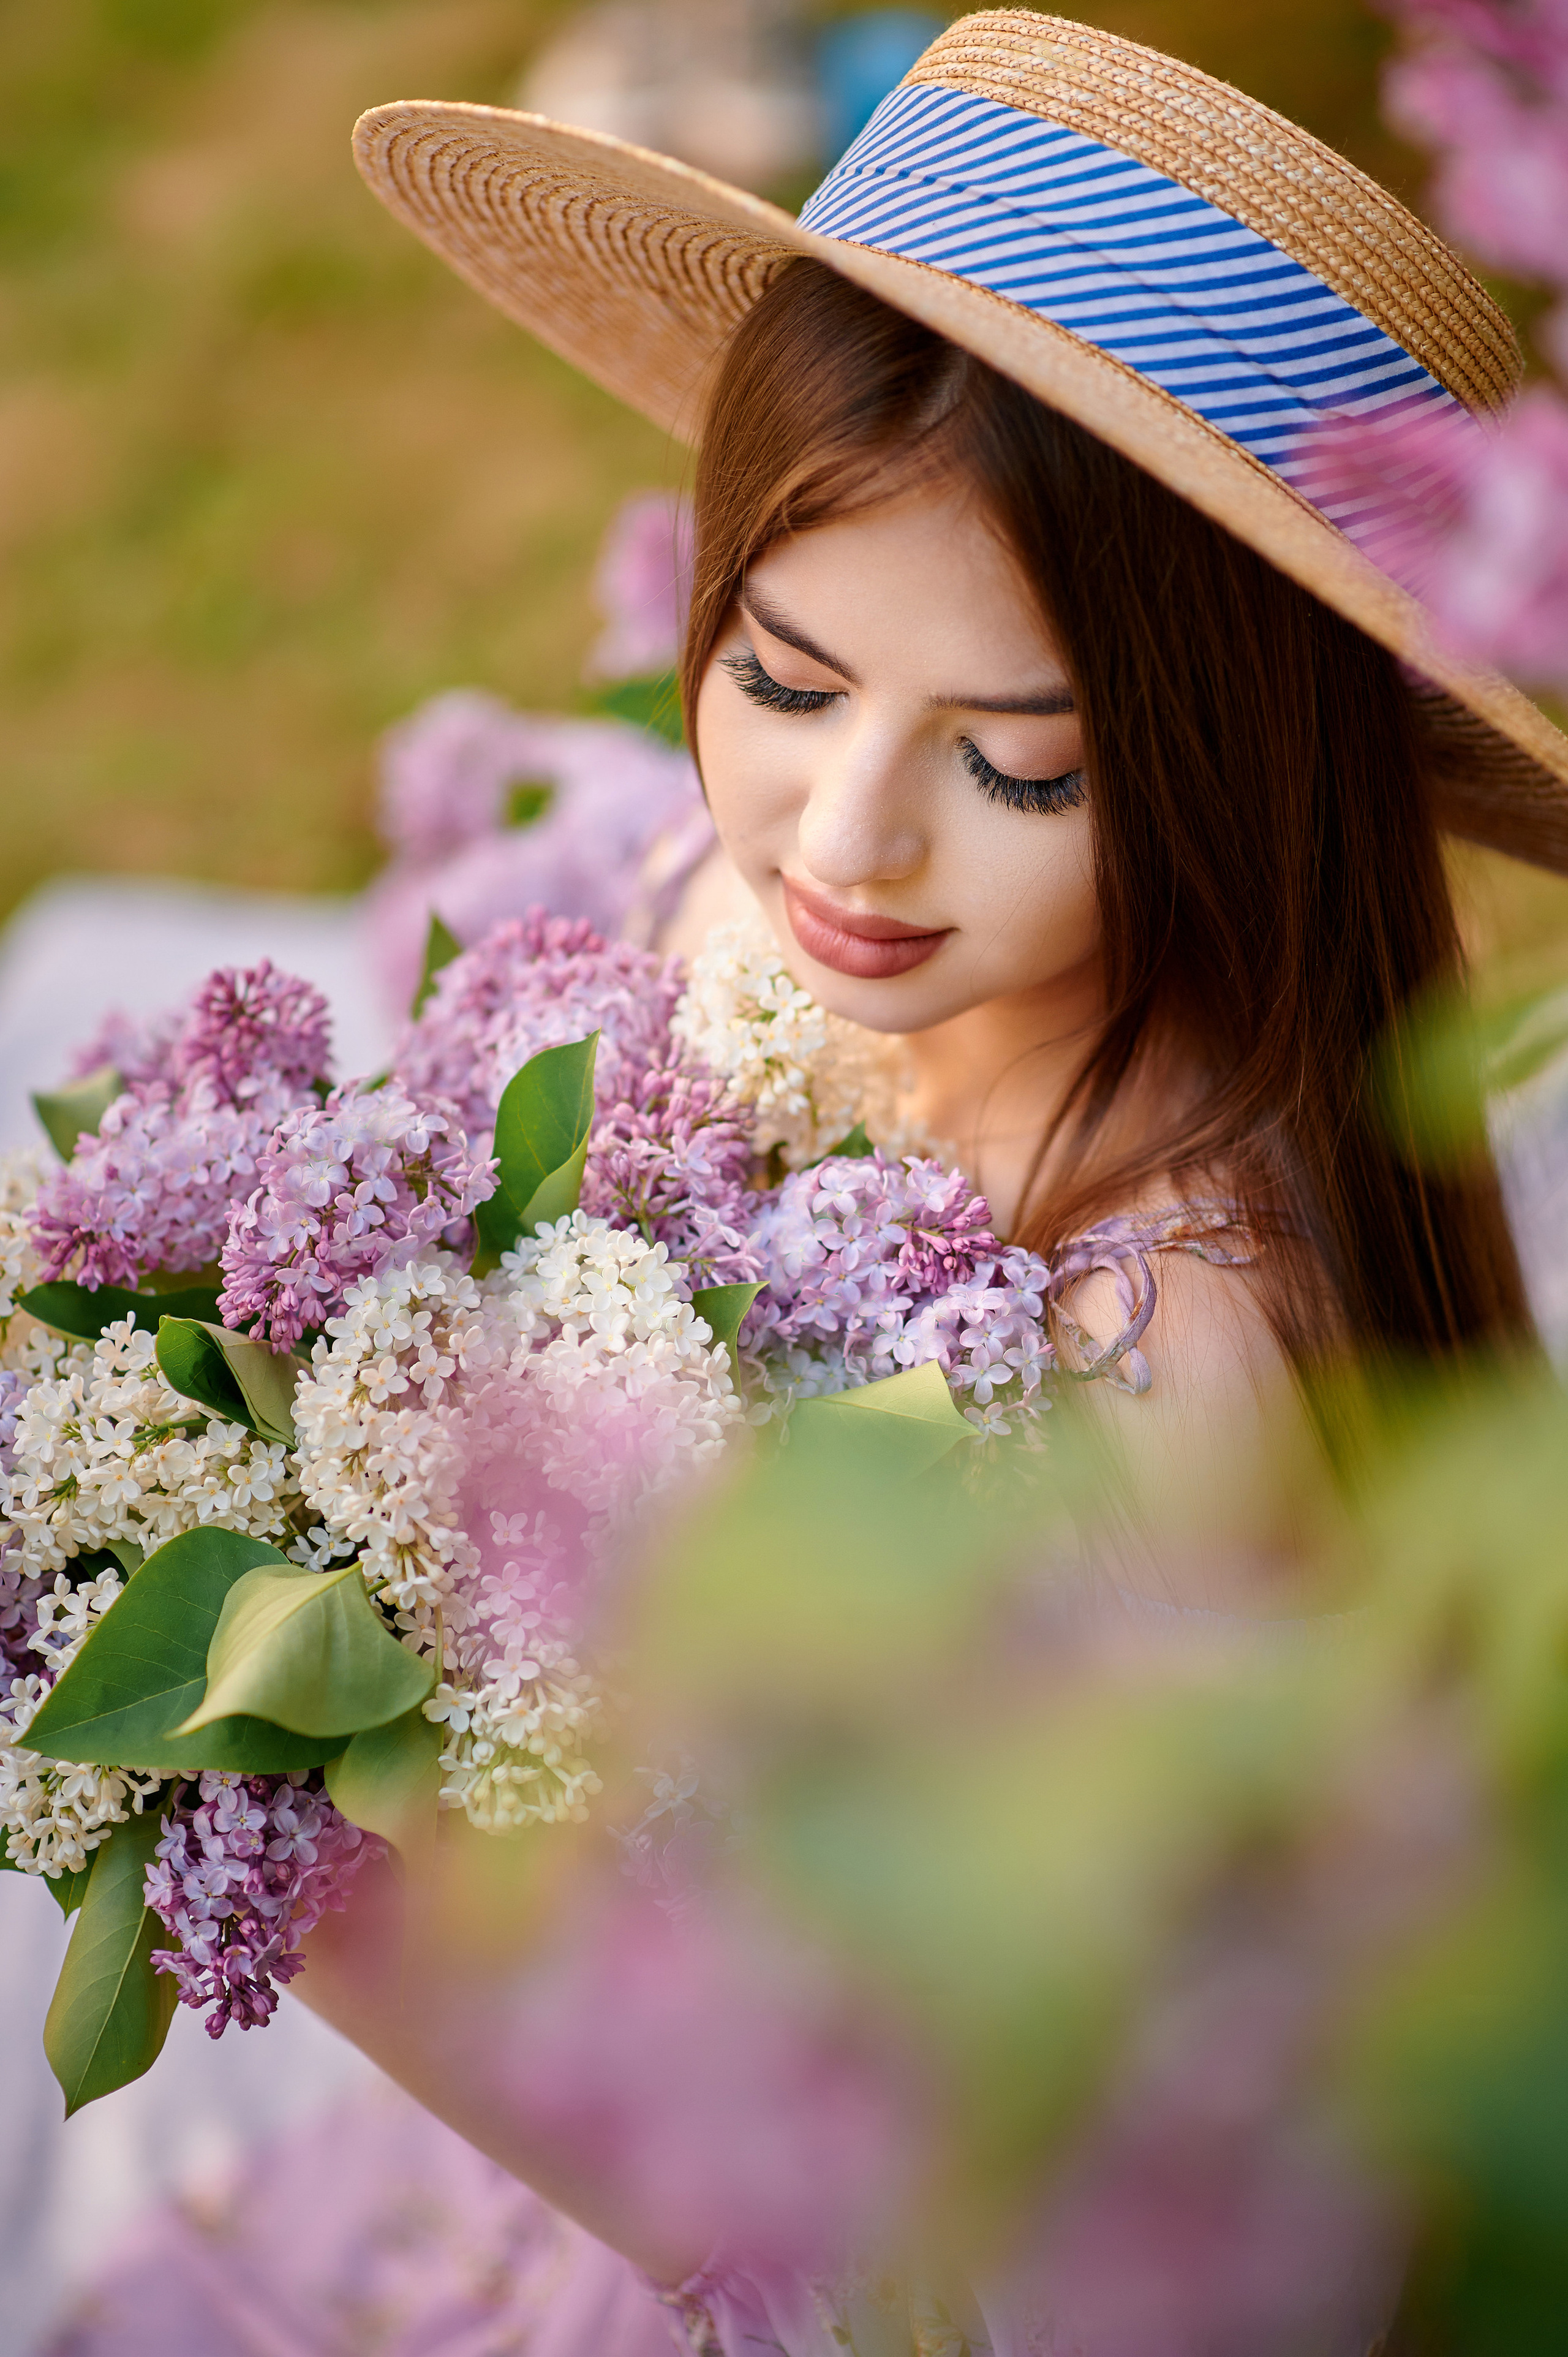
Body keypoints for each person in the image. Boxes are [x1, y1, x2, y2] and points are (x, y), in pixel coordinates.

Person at [48, 11, 1568, 2353]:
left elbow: (920, 2225)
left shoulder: (1167, 1378)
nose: (845, 840)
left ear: (1238, 778)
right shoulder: (777, 929)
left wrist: (347, 1912)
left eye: (1024, 773)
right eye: (779, 674)